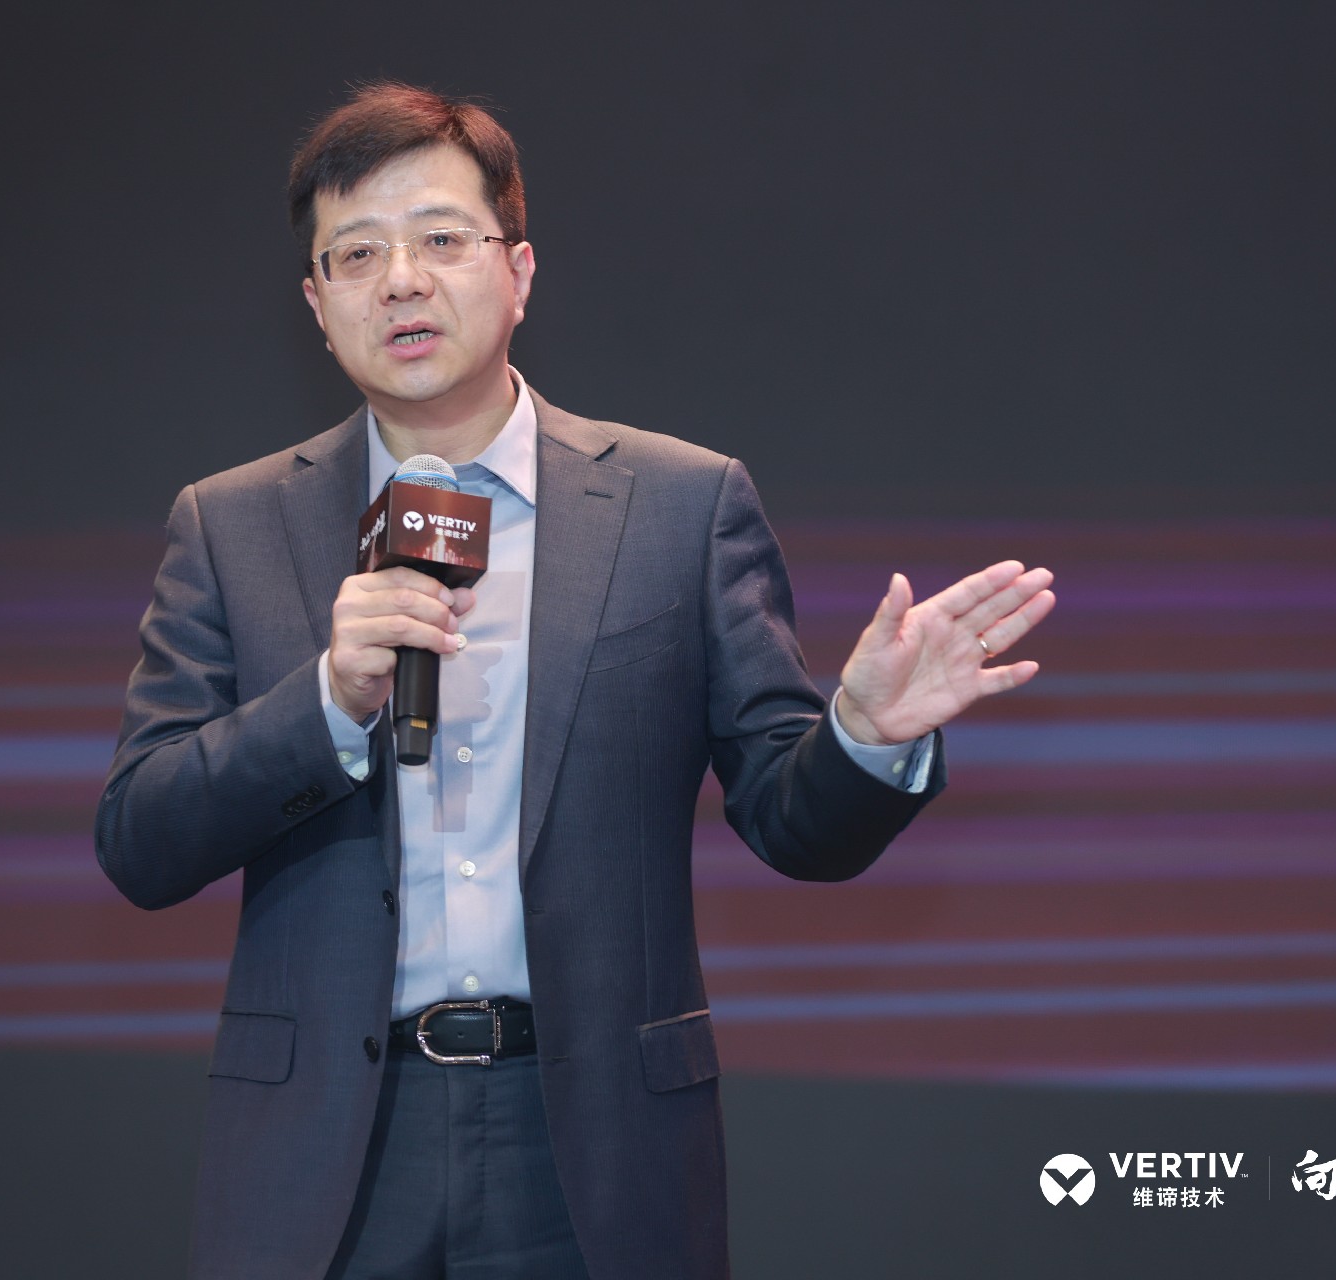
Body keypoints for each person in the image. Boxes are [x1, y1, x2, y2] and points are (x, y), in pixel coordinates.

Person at [95, 82, 1054, 1280]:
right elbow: (140, 838)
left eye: (442, 238)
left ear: (519, 271)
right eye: (357, 253)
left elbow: (792, 822)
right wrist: (328, 702)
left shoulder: (679, 506)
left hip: (588, 1144)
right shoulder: (230, 523)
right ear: (317, 304)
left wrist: (861, 733)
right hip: (328, 1149)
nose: (400, 280)